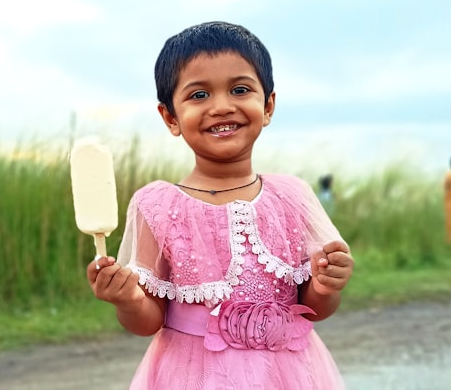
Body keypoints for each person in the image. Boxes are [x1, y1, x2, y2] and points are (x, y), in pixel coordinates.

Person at [86, 21, 353, 389]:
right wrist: (128, 298)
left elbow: (316, 310)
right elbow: (147, 322)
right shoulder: (157, 205)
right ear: (170, 117)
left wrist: (325, 287)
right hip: (194, 375)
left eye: (240, 89)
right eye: (198, 95)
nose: (222, 107)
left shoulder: (293, 197)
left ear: (268, 104)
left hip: (291, 375)